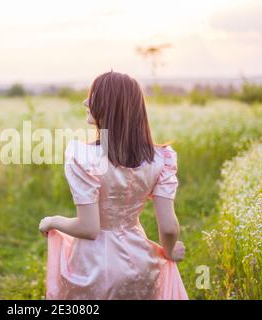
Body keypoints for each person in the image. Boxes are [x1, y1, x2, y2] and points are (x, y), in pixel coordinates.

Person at [39, 71, 188, 300]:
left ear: (108, 106)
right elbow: (168, 228)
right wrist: (169, 250)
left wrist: (53, 221)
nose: (85, 102)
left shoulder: (83, 156)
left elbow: (89, 229)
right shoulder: (161, 159)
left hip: (95, 267)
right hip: (141, 263)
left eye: (93, 96)